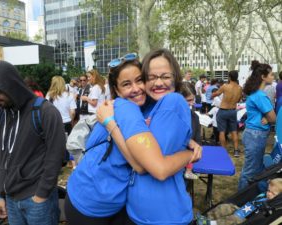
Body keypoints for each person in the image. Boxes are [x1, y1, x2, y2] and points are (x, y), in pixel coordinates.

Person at [65, 53, 201, 225]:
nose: (136, 88)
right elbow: (142, 167)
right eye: (126, 84)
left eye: (140, 80)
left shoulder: (143, 108)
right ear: (117, 89)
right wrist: (189, 155)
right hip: (91, 203)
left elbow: (152, 132)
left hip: (101, 197)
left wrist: (186, 139)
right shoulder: (126, 108)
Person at [0, 60, 66, 225]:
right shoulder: (0, 115)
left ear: (10, 85)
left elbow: (56, 156)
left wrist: (41, 194)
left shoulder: (45, 111)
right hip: (11, 199)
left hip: (38, 200)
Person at [238, 60, 276, 191]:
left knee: (257, 167)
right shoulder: (260, 96)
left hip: (252, 133)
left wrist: (267, 117)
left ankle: (257, 193)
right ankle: (240, 200)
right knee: (250, 171)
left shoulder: (255, 94)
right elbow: (273, 118)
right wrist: (268, 117)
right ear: (263, 77)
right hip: (256, 135)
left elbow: (269, 117)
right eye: (271, 74)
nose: (273, 77)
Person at [197, 178, 282, 225]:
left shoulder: (270, 206)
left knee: (231, 219)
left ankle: (212, 223)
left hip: (246, 218)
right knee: (224, 207)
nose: (269, 193)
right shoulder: (263, 195)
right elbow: (261, 184)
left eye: (273, 193)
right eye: (268, 190)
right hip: (242, 209)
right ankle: (207, 218)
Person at [212, 70, 242, 157]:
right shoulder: (240, 88)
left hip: (223, 110)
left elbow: (216, 94)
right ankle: (236, 151)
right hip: (233, 111)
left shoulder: (225, 86)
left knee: (222, 131)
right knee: (234, 131)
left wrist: (212, 94)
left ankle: (224, 151)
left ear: (229, 77)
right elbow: (239, 99)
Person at [180, 82, 201, 180]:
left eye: (193, 99)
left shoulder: (194, 117)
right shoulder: (166, 117)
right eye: (189, 100)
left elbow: (197, 142)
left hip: (186, 161)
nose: (192, 103)